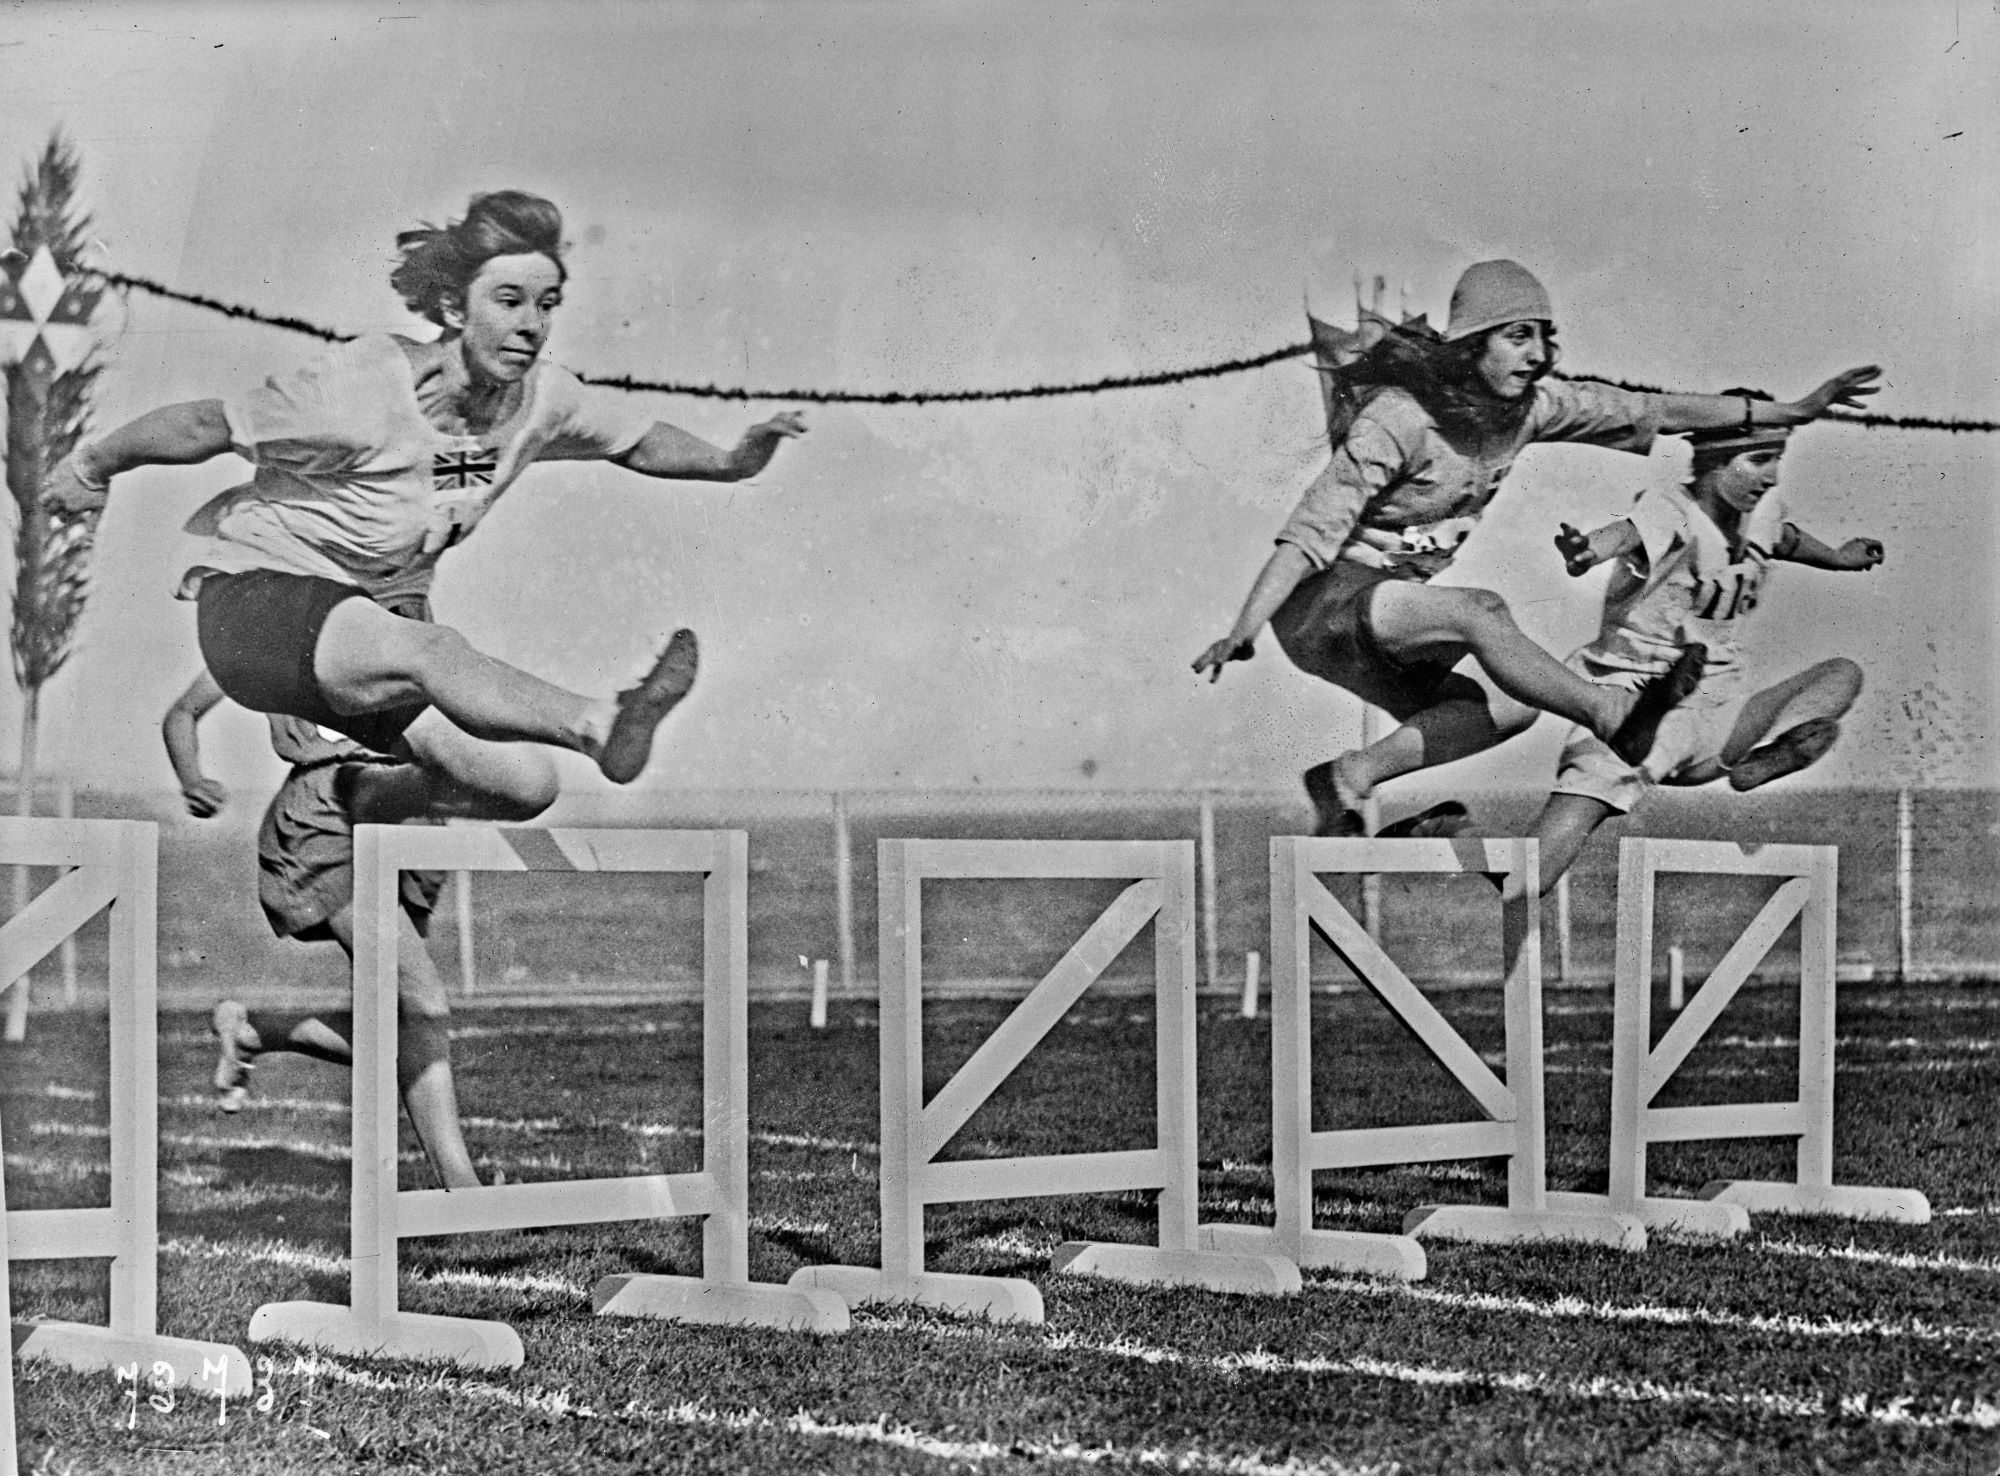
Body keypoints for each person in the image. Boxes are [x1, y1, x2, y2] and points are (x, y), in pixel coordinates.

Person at [44, 190, 806, 829]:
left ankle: (358, 793)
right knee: (435, 652)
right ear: (452, 306)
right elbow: (205, 425)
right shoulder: (359, 389)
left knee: (524, 788)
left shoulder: (542, 399)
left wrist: (733, 461)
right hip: (250, 607)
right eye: (508, 301)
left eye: (547, 305)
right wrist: (87, 466)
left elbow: (636, 441)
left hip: (363, 623)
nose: (531, 325)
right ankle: (604, 721)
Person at [1191, 259, 1881, 837]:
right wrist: (1241, 630)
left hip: (1388, 632)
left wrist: (1789, 411)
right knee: (1481, 610)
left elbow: (1654, 412)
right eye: (1519, 337)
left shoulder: (1533, 409)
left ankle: (1349, 778)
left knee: (1509, 708)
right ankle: (1609, 712)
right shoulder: (1398, 420)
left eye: (1545, 338)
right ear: (1473, 344)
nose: (1539, 354)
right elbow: (1308, 534)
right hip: (1322, 608)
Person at [1506, 394, 1884, 898]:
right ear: (1713, 463)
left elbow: (1785, 540)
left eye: (1778, 460)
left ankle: (1762, 761)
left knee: (1842, 675)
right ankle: (1459, 836)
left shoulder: (1762, 516)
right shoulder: (1672, 512)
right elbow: (1628, 533)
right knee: (1527, 880)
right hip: (1636, 704)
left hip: (1718, 714)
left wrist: (1836, 557)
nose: (1771, 476)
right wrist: (1588, 550)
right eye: (1758, 460)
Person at [162, 663, 488, 1189]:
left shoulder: (387, 611)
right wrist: (192, 778)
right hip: (325, 812)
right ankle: (467, 1196)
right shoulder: (269, 624)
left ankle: (252, 1033)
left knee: (405, 1023)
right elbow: (182, 712)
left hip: (402, 811)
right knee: (421, 1001)